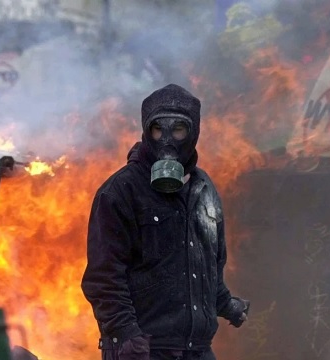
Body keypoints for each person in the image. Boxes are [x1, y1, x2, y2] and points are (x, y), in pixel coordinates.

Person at [81, 84, 250, 360]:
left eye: (179, 129)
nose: (167, 140)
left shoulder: (204, 188)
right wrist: (125, 334)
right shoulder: (121, 191)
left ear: (194, 132)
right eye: (158, 129)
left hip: (196, 349)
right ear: (146, 132)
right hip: (144, 349)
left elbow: (209, 267)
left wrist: (225, 304)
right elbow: (103, 278)